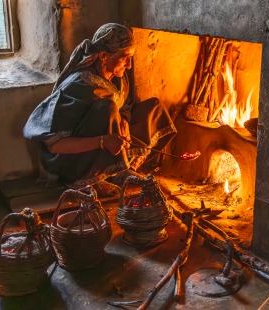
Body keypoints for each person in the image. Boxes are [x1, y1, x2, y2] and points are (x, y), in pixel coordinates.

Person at [23, 23, 176, 197]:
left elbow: (124, 105)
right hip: (72, 160)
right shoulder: (78, 86)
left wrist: (124, 119)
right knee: (107, 108)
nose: (129, 65)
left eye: (131, 57)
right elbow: (55, 145)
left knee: (153, 107)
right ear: (103, 56)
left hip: (107, 140)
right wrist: (103, 141)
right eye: (125, 57)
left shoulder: (117, 76)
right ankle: (90, 180)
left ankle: (120, 170)